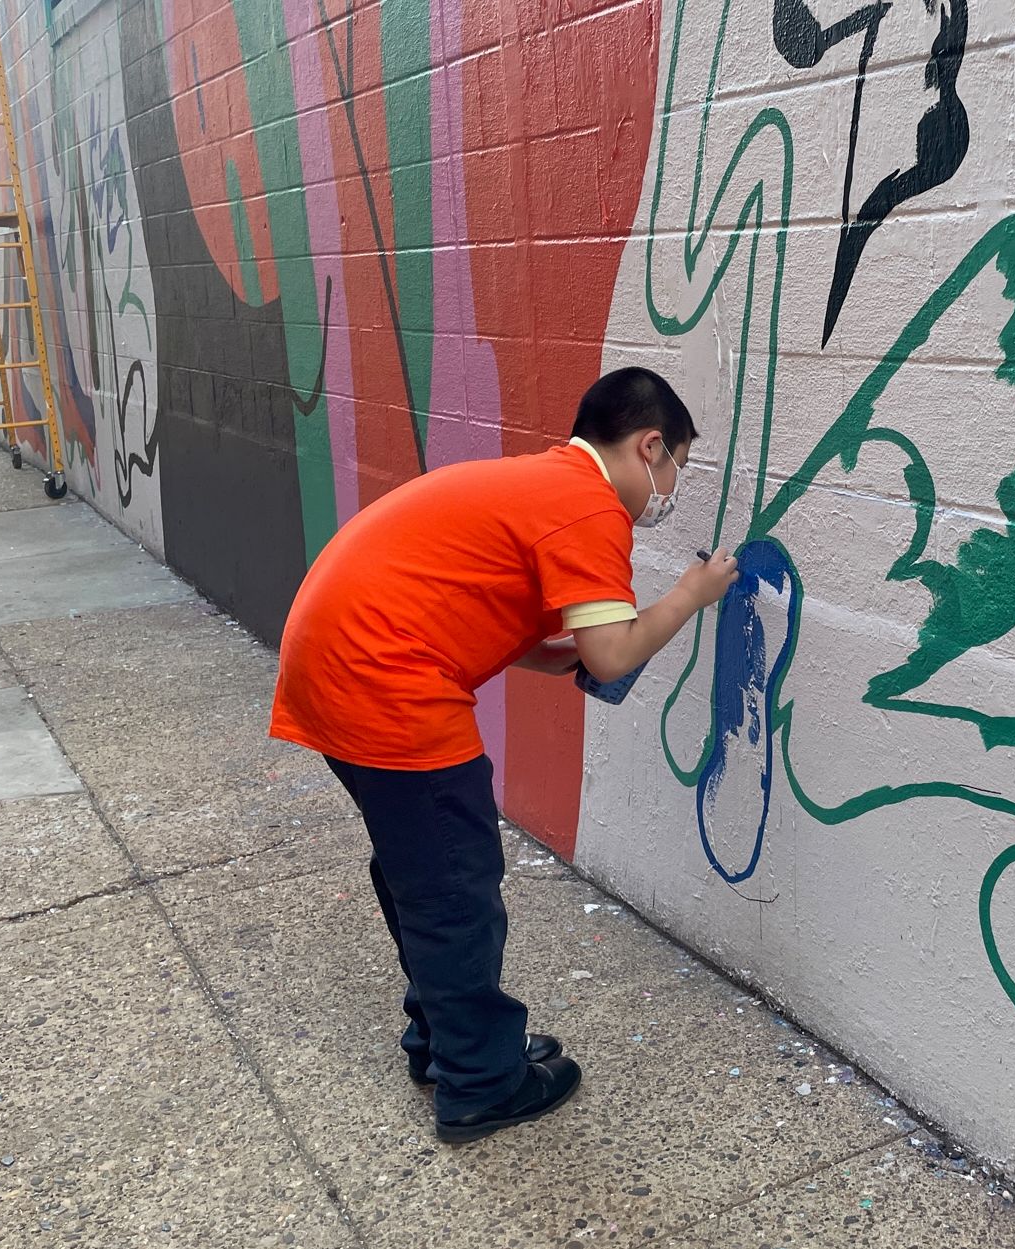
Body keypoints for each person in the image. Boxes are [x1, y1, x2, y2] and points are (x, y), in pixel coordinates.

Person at [269, 367, 739, 1143]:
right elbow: (614, 654)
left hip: (336, 661)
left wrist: (554, 654)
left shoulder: (546, 482)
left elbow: (483, 600)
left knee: (426, 874)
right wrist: (693, 592)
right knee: (454, 886)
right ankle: (484, 1083)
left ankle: (451, 1045)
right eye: (676, 466)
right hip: (383, 680)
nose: (671, 487)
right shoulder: (591, 505)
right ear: (649, 444)